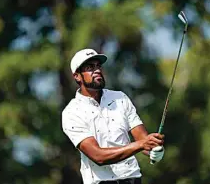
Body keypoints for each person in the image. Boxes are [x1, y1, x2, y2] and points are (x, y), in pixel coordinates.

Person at [62, 48, 165, 184]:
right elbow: (98, 156)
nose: (97, 70)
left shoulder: (120, 98)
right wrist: (141, 144)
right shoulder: (72, 112)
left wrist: (154, 149)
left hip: (132, 178)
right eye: (90, 67)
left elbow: (143, 141)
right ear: (77, 76)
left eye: (98, 66)